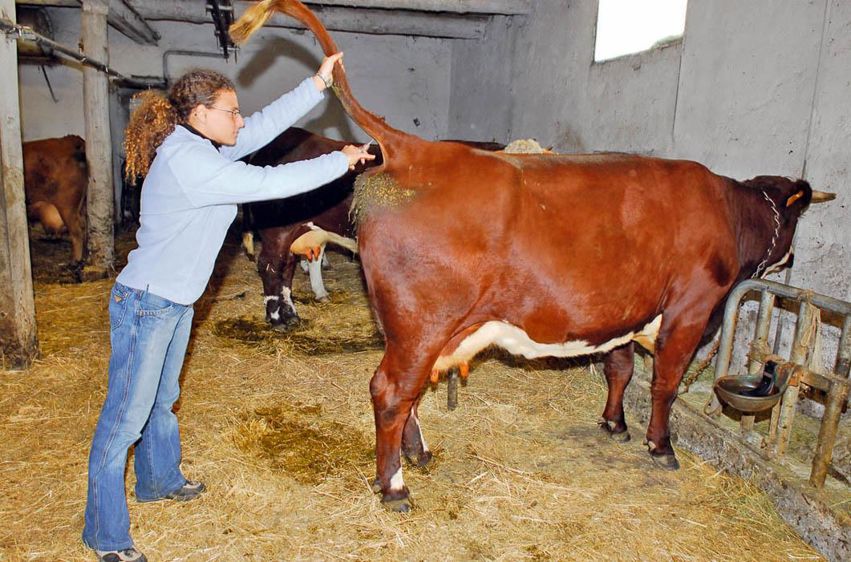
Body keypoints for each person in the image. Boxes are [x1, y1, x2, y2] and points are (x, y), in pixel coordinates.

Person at [82, 53, 374, 562]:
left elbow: (261, 126)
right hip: (147, 303)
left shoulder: (202, 144)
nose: (240, 121)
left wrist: (316, 84)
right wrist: (339, 161)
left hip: (173, 302)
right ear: (199, 114)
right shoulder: (189, 162)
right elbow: (267, 184)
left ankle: (158, 480)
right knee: (124, 419)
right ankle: (104, 534)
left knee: (163, 399)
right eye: (231, 112)